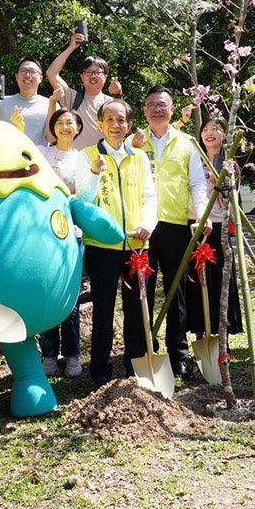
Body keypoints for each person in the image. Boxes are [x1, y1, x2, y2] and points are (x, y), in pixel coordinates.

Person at [77, 100, 159, 388]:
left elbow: (150, 197)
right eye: (109, 119)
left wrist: (148, 225)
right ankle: (100, 367)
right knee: (103, 308)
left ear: (128, 125)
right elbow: (82, 202)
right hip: (102, 247)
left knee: (138, 308)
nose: (115, 124)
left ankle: (135, 363)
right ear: (100, 124)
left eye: (121, 120)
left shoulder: (139, 157)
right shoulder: (86, 156)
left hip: (138, 246)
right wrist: (93, 173)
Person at [131, 86, 210, 380]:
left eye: (162, 105)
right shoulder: (134, 142)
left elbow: (198, 184)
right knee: (143, 292)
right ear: (144, 111)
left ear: (172, 109)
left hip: (176, 224)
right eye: (151, 105)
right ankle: (142, 352)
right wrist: (134, 148)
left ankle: (178, 356)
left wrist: (201, 215)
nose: (157, 110)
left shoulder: (186, 142)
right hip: (143, 227)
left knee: (177, 292)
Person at [37, 102, 94, 377]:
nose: (65, 127)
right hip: (44, 233)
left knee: (70, 297)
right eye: (60, 122)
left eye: (70, 122)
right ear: (53, 128)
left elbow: (82, 194)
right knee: (49, 293)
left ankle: (72, 356)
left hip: (73, 233)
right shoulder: (41, 153)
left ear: (78, 128)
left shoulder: (83, 158)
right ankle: (48, 355)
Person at [185, 117, 242, 340]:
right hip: (195, 225)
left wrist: (213, 180)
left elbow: (228, 202)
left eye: (216, 129)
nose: (210, 133)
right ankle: (200, 330)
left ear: (224, 135)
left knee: (219, 280)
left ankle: (222, 332)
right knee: (196, 278)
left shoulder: (229, 164)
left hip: (218, 226)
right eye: (206, 129)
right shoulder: (193, 160)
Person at [46, 28, 123, 149]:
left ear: (105, 76)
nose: (93, 76)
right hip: (75, 161)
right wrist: (71, 47)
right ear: (82, 77)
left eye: (98, 72)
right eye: (88, 72)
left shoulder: (111, 102)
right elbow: (51, 73)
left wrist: (118, 95)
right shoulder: (72, 97)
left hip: (103, 160)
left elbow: (121, 127)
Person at [0, 58, 50, 146]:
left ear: (40, 78)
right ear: (16, 77)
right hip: (8, 158)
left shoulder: (50, 105)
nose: (27, 75)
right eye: (23, 71)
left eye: (32, 71)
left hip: (37, 158)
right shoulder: (1, 103)